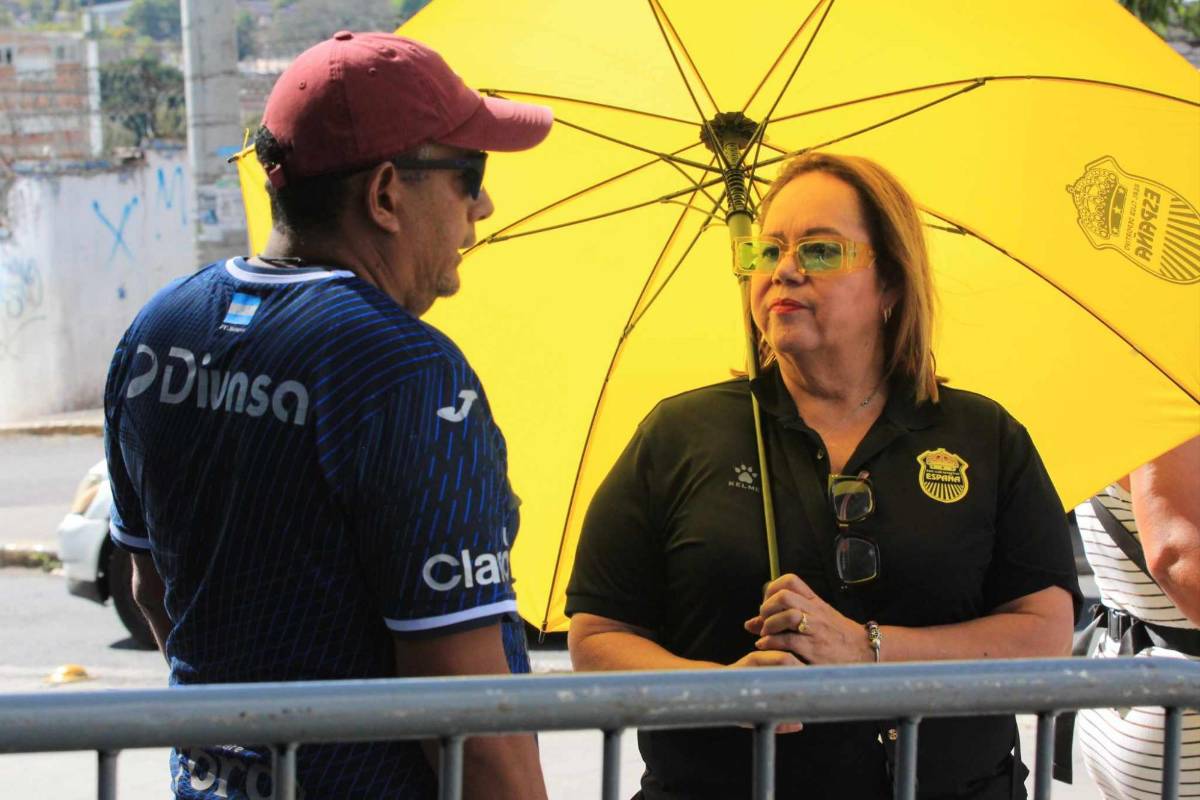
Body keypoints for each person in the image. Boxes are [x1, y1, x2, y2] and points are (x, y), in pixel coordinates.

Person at [103, 31, 552, 799]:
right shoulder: (407, 373)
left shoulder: (158, 329)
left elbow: (151, 588)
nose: (483, 204)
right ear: (385, 194)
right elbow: (476, 720)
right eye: (469, 173)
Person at [566, 152, 1082, 799]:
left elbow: (1044, 631)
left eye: (819, 250)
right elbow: (599, 634)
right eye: (767, 250)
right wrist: (719, 691)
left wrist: (867, 649)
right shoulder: (680, 433)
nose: (783, 270)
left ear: (891, 282)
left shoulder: (983, 436)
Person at [1074, 435, 1200, 800]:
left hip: (1136, 684)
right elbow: (1176, 556)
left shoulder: (1118, 411)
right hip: (1176, 702)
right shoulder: (1167, 413)